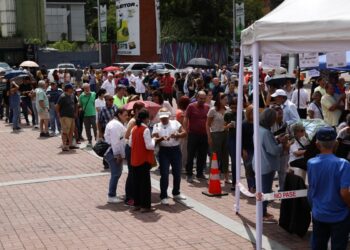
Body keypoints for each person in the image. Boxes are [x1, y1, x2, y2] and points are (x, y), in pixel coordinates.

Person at [307, 127, 350, 250]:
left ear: (317, 144)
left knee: (318, 245)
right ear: (336, 143)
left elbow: (312, 188)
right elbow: (344, 192)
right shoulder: (343, 164)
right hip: (339, 214)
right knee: (339, 245)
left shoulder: (311, 163)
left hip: (319, 212)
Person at [258, 108, 288, 223]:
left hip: (261, 163)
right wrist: (283, 144)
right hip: (267, 165)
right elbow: (273, 150)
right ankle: (262, 212)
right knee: (265, 190)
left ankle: (263, 211)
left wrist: (277, 139)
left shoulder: (260, 129)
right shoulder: (266, 132)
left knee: (263, 189)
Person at [152, 108, 187, 205]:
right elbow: (154, 138)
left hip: (175, 150)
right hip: (164, 151)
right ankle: (163, 195)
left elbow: (184, 133)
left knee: (177, 173)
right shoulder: (157, 125)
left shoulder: (175, 123)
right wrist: (161, 138)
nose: (163, 120)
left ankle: (176, 192)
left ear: (169, 116)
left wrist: (177, 135)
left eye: (165, 117)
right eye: (162, 118)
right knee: (164, 174)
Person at [129, 109, 156, 213]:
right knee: (145, 184)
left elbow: (130, 143)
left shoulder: (134, 128)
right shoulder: (146, 129)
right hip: (144, 159)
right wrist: (154, 140)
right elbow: (149, 146)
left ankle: (137, 204)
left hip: (135, 159)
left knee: (136, 183)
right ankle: (145, 206)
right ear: (146, 119)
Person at [184, 91, 209, 183]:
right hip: (193, 134)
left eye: (204, 98)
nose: (202, 100)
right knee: (191, 155)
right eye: (200, 98)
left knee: (202, 155)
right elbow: (186, 118)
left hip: (204, 135)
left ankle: (199, 173)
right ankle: (189, 174)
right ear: (197, 97)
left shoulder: (207, 107)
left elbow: (209, 120)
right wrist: (185, 130)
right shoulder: (191, 106)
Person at [104, 108, 128, 203]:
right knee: (116, 174)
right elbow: (115, 142)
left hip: (113, 151)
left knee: (116, 173)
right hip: (112, 152)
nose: (126, 117)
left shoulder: (116, 124)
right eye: (125, 115)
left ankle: (112, 194)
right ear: (119, 114)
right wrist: (118, 155)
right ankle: (111, 195)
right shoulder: (115, 125)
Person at [124, 101, 145, 206]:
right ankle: (129, 197)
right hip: (130, 148)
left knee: (136, 172)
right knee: (132, 172)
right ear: (136, 110)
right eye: (142, 109)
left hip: (136, 149)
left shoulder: (140, 120)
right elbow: (127, 136)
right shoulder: (133, 121)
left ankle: (135, 195)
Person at [206, 93, 230, 183]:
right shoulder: (213, 110)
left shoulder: (228, 110)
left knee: (225, 155)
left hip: (226, 134)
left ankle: (226, 177)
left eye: (227, 99)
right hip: (215, 134)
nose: (226, 101)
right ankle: (213, 176)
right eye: (224, 99)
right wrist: (209, 137)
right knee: (215, 156)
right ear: (219, 100)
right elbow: (207, 124)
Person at [56, 84, 77, 151]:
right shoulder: (62, 96)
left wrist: (75, 112)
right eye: (72, 88)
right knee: (65, 131)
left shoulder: (72, 95)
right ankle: (64, 145)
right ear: (68, 89)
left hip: (71, 117)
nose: (73, 89)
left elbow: (75, 104)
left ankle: (70, 144)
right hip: (65, 117)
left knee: (71, 131)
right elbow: (57, 106)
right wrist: (59, 114)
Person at [241, 105, 255, 193]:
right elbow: (241, 138)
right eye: (252, 113)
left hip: (255, 149)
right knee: (249, 168)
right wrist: (243, 150)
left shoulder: (258, 123)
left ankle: (256, 185)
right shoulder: (244, 124)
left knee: (255, 168)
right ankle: (251, 186)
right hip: (247, 149)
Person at [176, 96, 190, 171]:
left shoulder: (179, 111)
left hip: (180, 133)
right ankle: (181, 167)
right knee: (183, 151)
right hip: (183, 134)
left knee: (182, 151)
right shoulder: (181, 113)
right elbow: (183, 124)